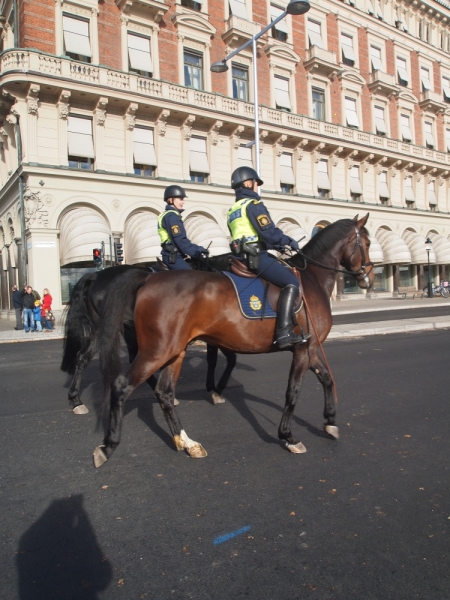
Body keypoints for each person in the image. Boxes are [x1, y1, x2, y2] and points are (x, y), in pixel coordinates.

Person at [227, 166, 310, 350]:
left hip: (240, 256)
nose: (257, 188)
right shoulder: (253, 205)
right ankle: (284, 332)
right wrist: (287, 241)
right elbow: (269, 232)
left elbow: (250, 234)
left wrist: (276, 245)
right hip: (255, 256)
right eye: (256, 184)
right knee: (291, 283)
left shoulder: (233, 210)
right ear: (248, 183)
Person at [158, 185, 209, 270]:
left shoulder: (169, 215)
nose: (183, 202)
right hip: (173, 256)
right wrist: (196, 252)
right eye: (181, 199)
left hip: (175, 254)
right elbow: (180, 241)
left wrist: (197, 248)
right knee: (191, 277)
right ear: (171, 200)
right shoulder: (171, 216)